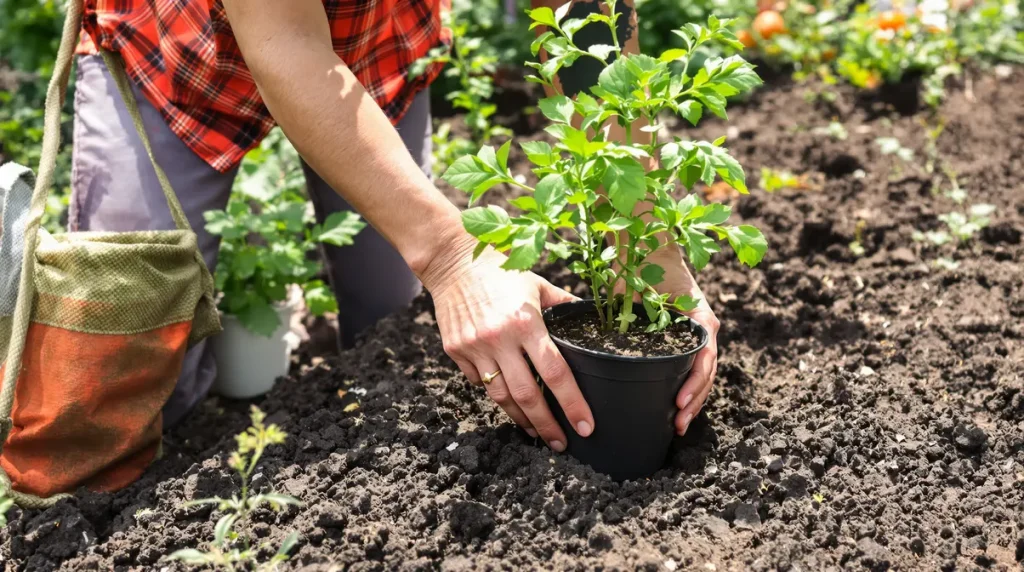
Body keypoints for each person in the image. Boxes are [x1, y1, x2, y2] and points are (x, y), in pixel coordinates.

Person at [75, 0, 720, 452]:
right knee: (126, 375)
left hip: (369, 41)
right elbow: (282, 40)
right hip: (176, 50)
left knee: (390, 327)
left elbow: (584, 17)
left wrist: (647, 242)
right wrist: (450, 255)